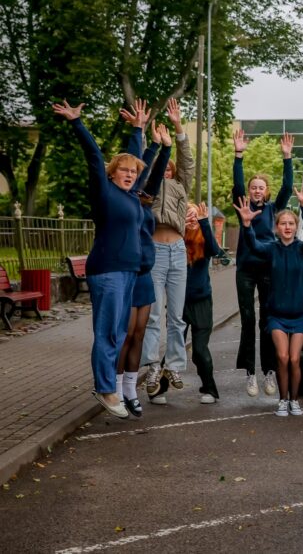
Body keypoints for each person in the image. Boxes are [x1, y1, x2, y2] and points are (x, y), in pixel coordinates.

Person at [53, 100, 145, 419]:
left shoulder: (132, 196)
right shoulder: (105, 191)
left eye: (133, 171)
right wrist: (77, 123)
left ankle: (109, 386)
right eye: (124, 170)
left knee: (119, 334)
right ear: (112, 172)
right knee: (108, 333)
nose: (130, 174)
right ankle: (105, 389)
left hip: (128, 272)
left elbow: (136, 157)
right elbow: (94, 156)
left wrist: (138, 129)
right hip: (107, 271)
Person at [235, 180, 303, 416]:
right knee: (282, 357)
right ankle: (283, 400)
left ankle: (295, 400)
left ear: (295, 226)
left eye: (291, 224)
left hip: (299, 314)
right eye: (283, 223)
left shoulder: (302, 249)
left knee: (294, 359)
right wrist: (247, 224)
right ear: (277, 228)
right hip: (277, 316)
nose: (288, 227)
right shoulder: (271, 249)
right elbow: (251, 245)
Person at [231, 128, 294, 397]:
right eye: (253, 187)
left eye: (261, 187)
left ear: (266, 192)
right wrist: (238, 155)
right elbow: (236, 183)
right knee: (247, 320)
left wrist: (287, 158)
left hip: (268, 270)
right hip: (245, 270)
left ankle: (269, 372)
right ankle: (250, 374)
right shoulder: (243, 203)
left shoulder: (272, 209)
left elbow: (288, 188)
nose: (257, 190)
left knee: (267, 321)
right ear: (249, 191)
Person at [118, 116, 173, 414]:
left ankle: (130, 389)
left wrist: (164, 147)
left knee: (139, 333)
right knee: (125, 333)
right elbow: (138, 165)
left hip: (145, 276)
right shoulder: (124, 198)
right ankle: (114, 390)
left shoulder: (145, 200)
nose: (137, 179)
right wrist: (146, 140)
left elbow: (154, 175)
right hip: (127, 274)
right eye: (130, 174)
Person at [141, 98, 193, 396]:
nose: (168, 173)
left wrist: (178, 128)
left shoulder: (180, 186)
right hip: (155, 253)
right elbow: (150, 167)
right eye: (165, 170)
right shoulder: (148, 186)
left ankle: (173, 364)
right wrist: (156, 141)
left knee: (176, 316)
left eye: (170, 170)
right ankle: (151, 366)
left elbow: (186, 163)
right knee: (153, 315)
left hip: (177, 251)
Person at [184, 202, 223, 404]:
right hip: (179, 303)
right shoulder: (176, 242)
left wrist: (204, 222)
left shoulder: (203, 241)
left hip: (201, 302)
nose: (191, 220)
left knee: (199, 350)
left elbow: (216, 250)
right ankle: (158, 389)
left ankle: (210, 389)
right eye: (187, 216)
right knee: (174, 348)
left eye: (194, 217)